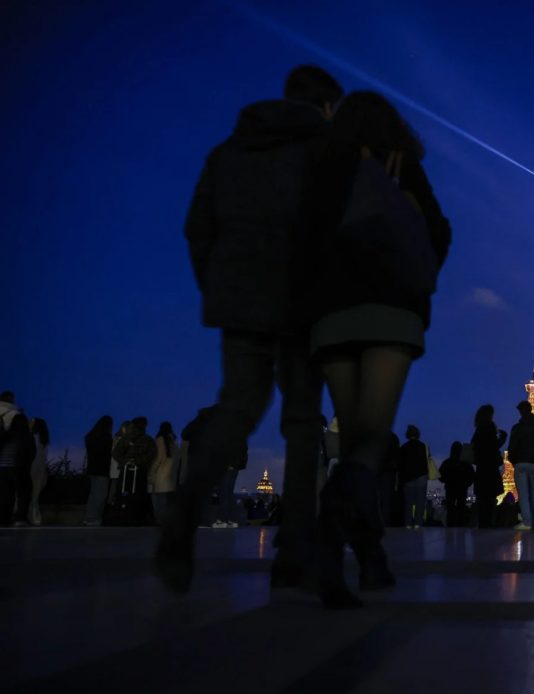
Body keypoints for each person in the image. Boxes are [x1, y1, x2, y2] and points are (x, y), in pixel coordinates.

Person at [158, 66, 344, 598]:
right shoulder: (327, 154)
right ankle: (294, 551)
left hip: (240, 301)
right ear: (327, 107)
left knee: (236, 408)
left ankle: (182, 514)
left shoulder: (228, 152)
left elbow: (198, 228)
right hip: (305, 301)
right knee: (304, 423)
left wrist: (221, 288)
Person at [308, 88, 451, 605]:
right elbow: (437, 232)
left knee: (351, 440)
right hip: (389, 309)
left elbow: (301, 242)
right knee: (370, 440)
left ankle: (369, 557)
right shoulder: (400, 164)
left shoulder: (322, 170)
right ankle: (333, 533)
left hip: (330, 313)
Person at [508, 400, 534, 530]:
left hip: (520, 463)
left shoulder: (517, 428)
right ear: (531, 409)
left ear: (520, 411)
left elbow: (512, 447)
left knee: (523, 494)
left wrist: (514, 461)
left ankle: (527, 522)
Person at [112, 417, 158, 526]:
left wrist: (126, 462)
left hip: (128, 470)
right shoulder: (147, 440)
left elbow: (116, 453)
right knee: (139, 494)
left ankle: (121, 516)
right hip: (139, 471)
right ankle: (139, 517)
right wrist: (137, 462)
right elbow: (151, 455)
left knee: (124, 494)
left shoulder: (127, 438)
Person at [472, 404, 507, 528]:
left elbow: (475, 446)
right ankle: (489, 522)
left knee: (482, 496)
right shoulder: (490, 427)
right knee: (491, 496)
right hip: (490, 466)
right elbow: (494, 446)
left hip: (481, 466)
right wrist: (503, 438)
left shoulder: (478, 429)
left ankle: (482, 522)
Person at [0, 413, 35, 526]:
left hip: (3, 469)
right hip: (20, 468)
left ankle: (4, 519)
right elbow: (31, 453)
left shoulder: (6, 435)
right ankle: (20, 518)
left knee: (6, 496)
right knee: (23, 494)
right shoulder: (27, 436)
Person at [83, 415, 115, 526]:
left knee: (93, 495)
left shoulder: (90, 437)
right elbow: (109, 455)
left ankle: (89, 517)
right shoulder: (106, 438)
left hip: (92, 469)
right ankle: (94, 518)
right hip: (103, 470)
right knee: (101, 495)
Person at [149, 422, 178, 525]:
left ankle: (159, 520)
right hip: (170, 475)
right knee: (166, 500)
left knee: (159, 500)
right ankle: (166, 520)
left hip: (161, 473)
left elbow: (159, 457)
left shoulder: (160, 440)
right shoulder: (173, 441)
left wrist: (151, 471)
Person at [438, 441, 473, 527]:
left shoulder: (447, 462)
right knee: (461, 508)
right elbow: (472, 476)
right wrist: (467, 483)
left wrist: (447, 481)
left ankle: (450, 526)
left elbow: (440, 475)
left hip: (450, 488)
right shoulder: (466, 464)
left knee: (450, 509)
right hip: (462, 488)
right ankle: (461, 525)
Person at [28, 418, 50, 526]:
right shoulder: (44, 441)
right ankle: (35, 517)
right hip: (40, 470)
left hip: (31, 468)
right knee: (34, 496)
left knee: (27, 494)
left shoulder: (32, 438)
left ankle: (31, 517)